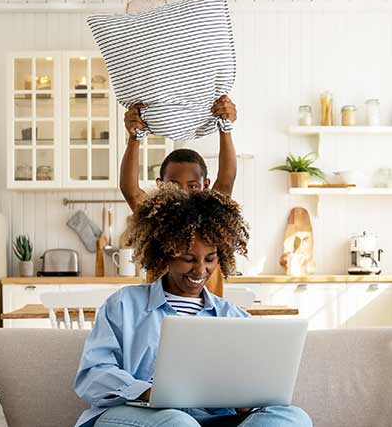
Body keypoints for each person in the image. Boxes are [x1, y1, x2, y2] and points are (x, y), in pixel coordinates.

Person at [73, 185, 312, 427]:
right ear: (165, 254)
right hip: (134, 416)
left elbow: (253, 381)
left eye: (210, 259)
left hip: (210, 419)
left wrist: (248, 399)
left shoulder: (234, 316)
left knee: (292, 418)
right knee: (178, 421)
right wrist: (147, 392)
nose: (200, 270)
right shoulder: (124, 304)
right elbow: (93, 375)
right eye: (188, 259)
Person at [119, 95, 238, 295]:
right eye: (174, 185)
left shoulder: (211, 217)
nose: (183, 193)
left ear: (206, 185)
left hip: (209, 320)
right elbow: (129, 189)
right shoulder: (158, 219)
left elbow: (227, 178)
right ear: (161, 185)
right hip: (161, 316)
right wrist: (134, 139)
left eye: (192, 186)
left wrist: (225, 128)